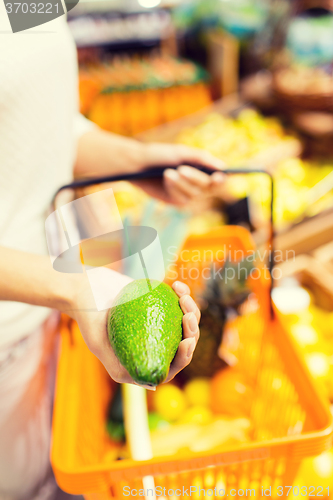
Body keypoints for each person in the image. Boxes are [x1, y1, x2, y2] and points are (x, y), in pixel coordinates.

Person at [0, 8, 225, 500]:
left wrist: (135, 161)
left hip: (47, 311)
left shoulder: (32, 4)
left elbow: (44, 123)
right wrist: (74, 289)